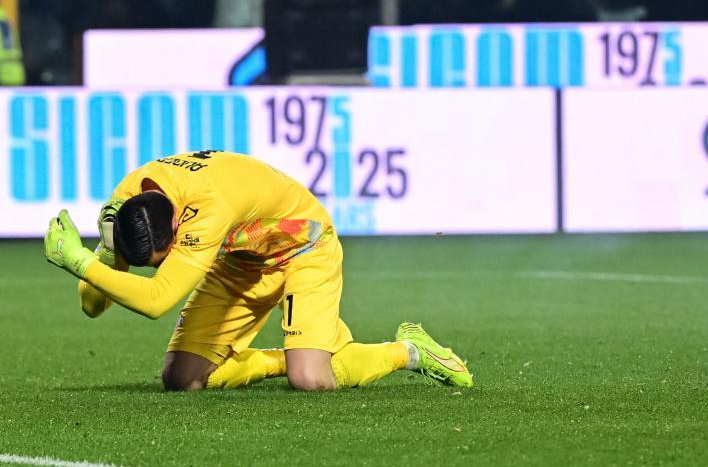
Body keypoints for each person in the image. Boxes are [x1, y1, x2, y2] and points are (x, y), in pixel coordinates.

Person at [41, 150, 473, 392]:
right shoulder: (128, 206)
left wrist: (78, 261)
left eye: (163, 259)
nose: (163, 267)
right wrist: (101, 253)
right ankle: (290, 356)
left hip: (303, 246)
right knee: (182, 379)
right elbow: (93, 306)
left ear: (177, 226)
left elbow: (156, 301)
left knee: (311, 379)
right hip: (241, 257)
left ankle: (410, 351)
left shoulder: (207, 210)